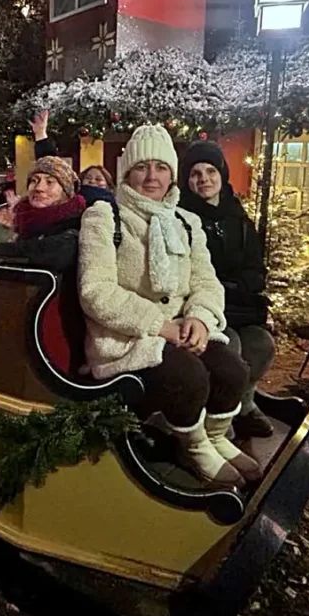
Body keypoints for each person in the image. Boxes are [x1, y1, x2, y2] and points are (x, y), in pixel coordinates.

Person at [77, 124, 260, 487]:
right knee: (188, 377)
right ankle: (192, 446)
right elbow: (95, 291)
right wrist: (161, 326)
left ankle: (215, 436)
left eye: (161, 167)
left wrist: (200, 319)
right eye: (142, 167)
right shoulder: (104, 217)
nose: (152, 177)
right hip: (128, 337)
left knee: (232, 370)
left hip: (181, 328)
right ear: (126, 173)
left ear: (171, 175)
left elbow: (206, 282)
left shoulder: (187, 222)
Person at [179, 140, 275, 438]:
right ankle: (217, 416)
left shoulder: (239, 219)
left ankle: (244, 404)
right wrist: (223, 287)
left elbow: (255, 268)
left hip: (239, 307)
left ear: (222, 174)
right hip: (206, 309)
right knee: (229, 347)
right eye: (195, 173)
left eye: (211, 171)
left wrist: (239, 285)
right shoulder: (182, 217)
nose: (204, 179)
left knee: (261, 344)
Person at [0, 156, 109, 272]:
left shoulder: (76, 222)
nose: (39, 188)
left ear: (65, 192)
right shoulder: (22, 219)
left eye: (50, 182)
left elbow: (54, 252)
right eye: (34, 180)